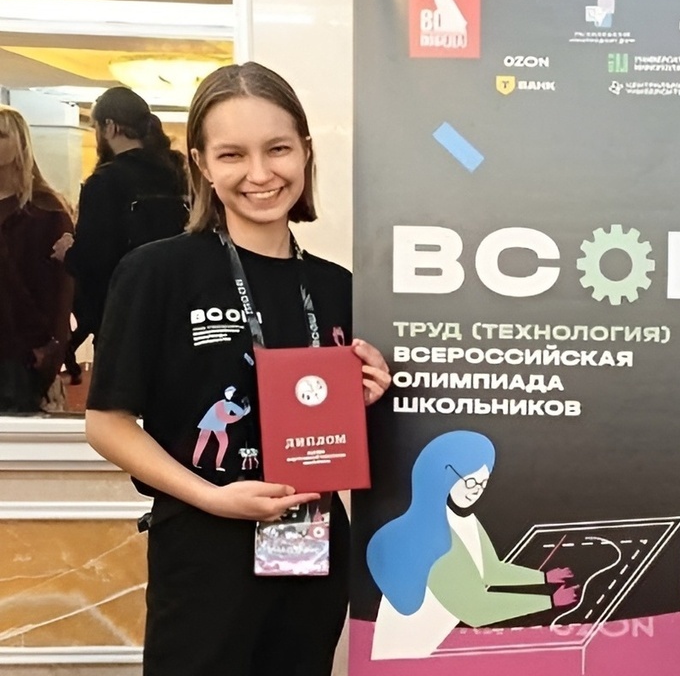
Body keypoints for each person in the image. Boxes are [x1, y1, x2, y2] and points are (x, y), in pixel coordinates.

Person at [84, 62, 391, 676]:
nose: (259, 174)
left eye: (277, 149)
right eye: (232, 154)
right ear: (201, 163)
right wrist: (213, 498)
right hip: (205, 548)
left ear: (305, 151)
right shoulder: (157, 273)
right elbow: (107, 423)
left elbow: (330, 427)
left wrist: (366, 393)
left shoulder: (337, 287)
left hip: (311, 545)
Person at [367, 430, 578, 659]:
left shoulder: (464, 520)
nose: (477, 490)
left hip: (427, 650)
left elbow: (491, 571)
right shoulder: (432, 535)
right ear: (443, 475)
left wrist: (544, 578)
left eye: (483, 483)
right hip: (404, 656)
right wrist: (550, 600)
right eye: (470, 481)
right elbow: (476, 609)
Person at [54, 86, 188, 382]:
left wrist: (69, 253)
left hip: (121, 317)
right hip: (178, 309)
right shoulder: (179, 174)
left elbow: (94, 258)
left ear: (110, 127)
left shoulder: (105, 182)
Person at [0, 105, 74, 415]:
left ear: (19, 143)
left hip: (21, 355)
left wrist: (50, 351)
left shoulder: (46, 210)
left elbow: (61, 291)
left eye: (1, 135)